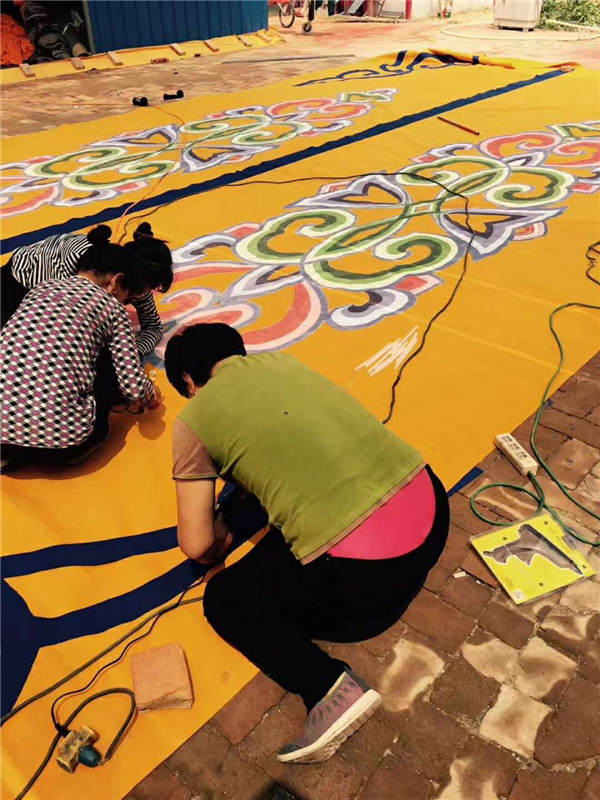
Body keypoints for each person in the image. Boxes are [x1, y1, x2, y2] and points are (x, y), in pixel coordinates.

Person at [164, 323, 450, 765]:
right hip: (431, 510)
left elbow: (198, 544)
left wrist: (222, 528)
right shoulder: (285, 362)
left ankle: (326, 686)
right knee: (286, 529)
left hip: (370, 574)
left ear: (188, 380)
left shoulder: (194, 419)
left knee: (225, 597)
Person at [0, 238, 161, 471]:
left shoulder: (40, 289)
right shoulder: (113, 310)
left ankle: (12, 446)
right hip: (63, 447)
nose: (124, 303)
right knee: (108, 366)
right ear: (116, 281)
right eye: (126, 297)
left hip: (2, 439)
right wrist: (151, 395)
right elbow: (133, 387)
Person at [0, 221, 172, 360]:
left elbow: (153, 327)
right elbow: (59, 326)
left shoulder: (139, 285)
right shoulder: (79, 270)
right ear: (117, 281)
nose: (145, 293)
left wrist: (135, 352)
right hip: (19, 281)